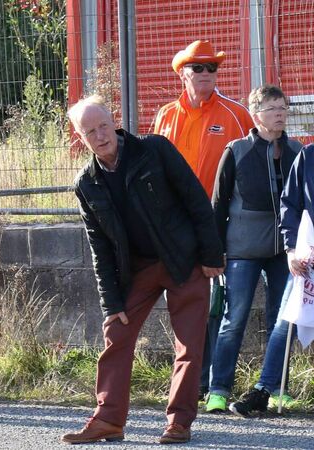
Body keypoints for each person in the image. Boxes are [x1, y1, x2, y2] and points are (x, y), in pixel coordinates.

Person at [62, 95, 224, 444]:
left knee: (189, 344)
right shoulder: (86, 183)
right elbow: (99, 247)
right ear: (80, 137)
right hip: (137, 270)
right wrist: (112, 303)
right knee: (116, 334)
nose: (101, 135)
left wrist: (212, 255)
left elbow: (196, 199)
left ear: (114, 121)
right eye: (90, 131)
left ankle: (179, 422)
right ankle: (108, 419)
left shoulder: (155, 150)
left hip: (184, 261)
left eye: (104, 125)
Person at [153, 39, 253, 400]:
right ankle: (188, 379)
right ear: (183, 73)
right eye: (199, 68)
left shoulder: (235, 114)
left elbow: (251, 167)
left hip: (219, 224)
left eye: (213, 68)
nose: (207, 74)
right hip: (175, 226)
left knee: (216, 303)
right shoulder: (165, 115)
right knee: (186, 302)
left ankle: (210, 381)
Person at [206, 85, 302, 413]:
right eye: (273, 108)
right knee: (234, 319)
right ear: (256, 114)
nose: (281, 114)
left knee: (282, 319)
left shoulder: (297, 151)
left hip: (284, 252)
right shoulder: (236, 150)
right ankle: (218, 390)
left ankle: (276, 388)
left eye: (284, 108)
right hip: (242, 250)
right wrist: (216, 250)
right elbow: (218, 205)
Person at [229, 139, 314, 418]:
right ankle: (264, 390)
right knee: (284, 322)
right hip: (307, 257)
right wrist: (291, 249)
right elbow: (290, 203)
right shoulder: (308, 155)